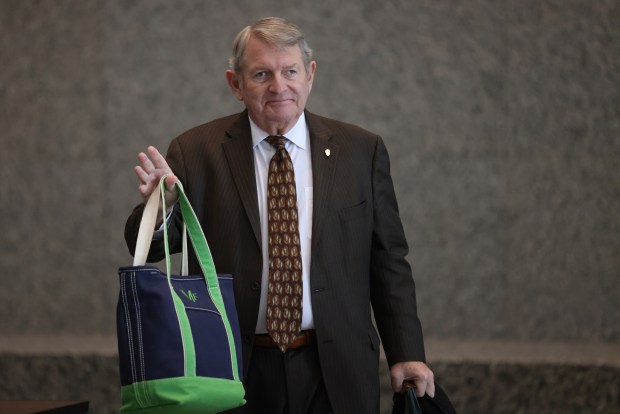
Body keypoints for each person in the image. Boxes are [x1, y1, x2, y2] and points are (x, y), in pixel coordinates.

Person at [125, 16, 434, 414]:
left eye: (290, 71)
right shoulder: (196, 152)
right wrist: (162, 207)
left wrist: (406, 352)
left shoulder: (360, 150)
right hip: (233, 369)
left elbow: (388, 259)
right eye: (261, 74)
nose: (279, 86)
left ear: (310, 75)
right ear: (235, 84)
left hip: (337, 368)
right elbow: (144, 246)